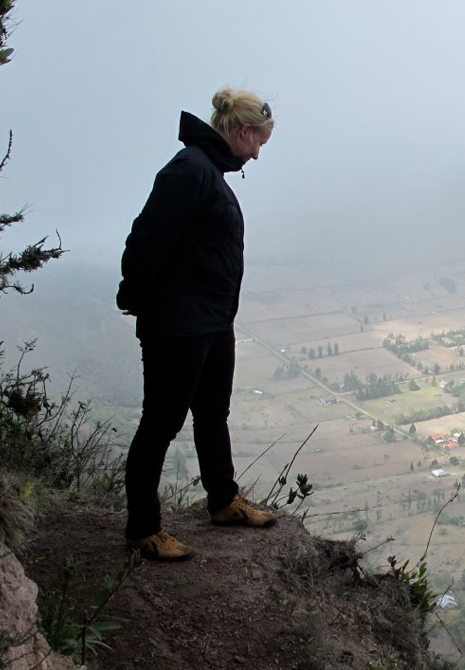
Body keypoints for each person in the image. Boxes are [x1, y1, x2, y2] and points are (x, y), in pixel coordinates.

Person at [116, 87, 275, 560]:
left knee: (212, 415)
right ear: (242, 131)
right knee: (160, 424)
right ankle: (143, 528)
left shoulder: (209, 172)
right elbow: (147, 237)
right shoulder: (190, 170)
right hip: (178, 324)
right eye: (260, 141)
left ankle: (223, 501)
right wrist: (134, 296)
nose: (259, 153)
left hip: (210, 321)